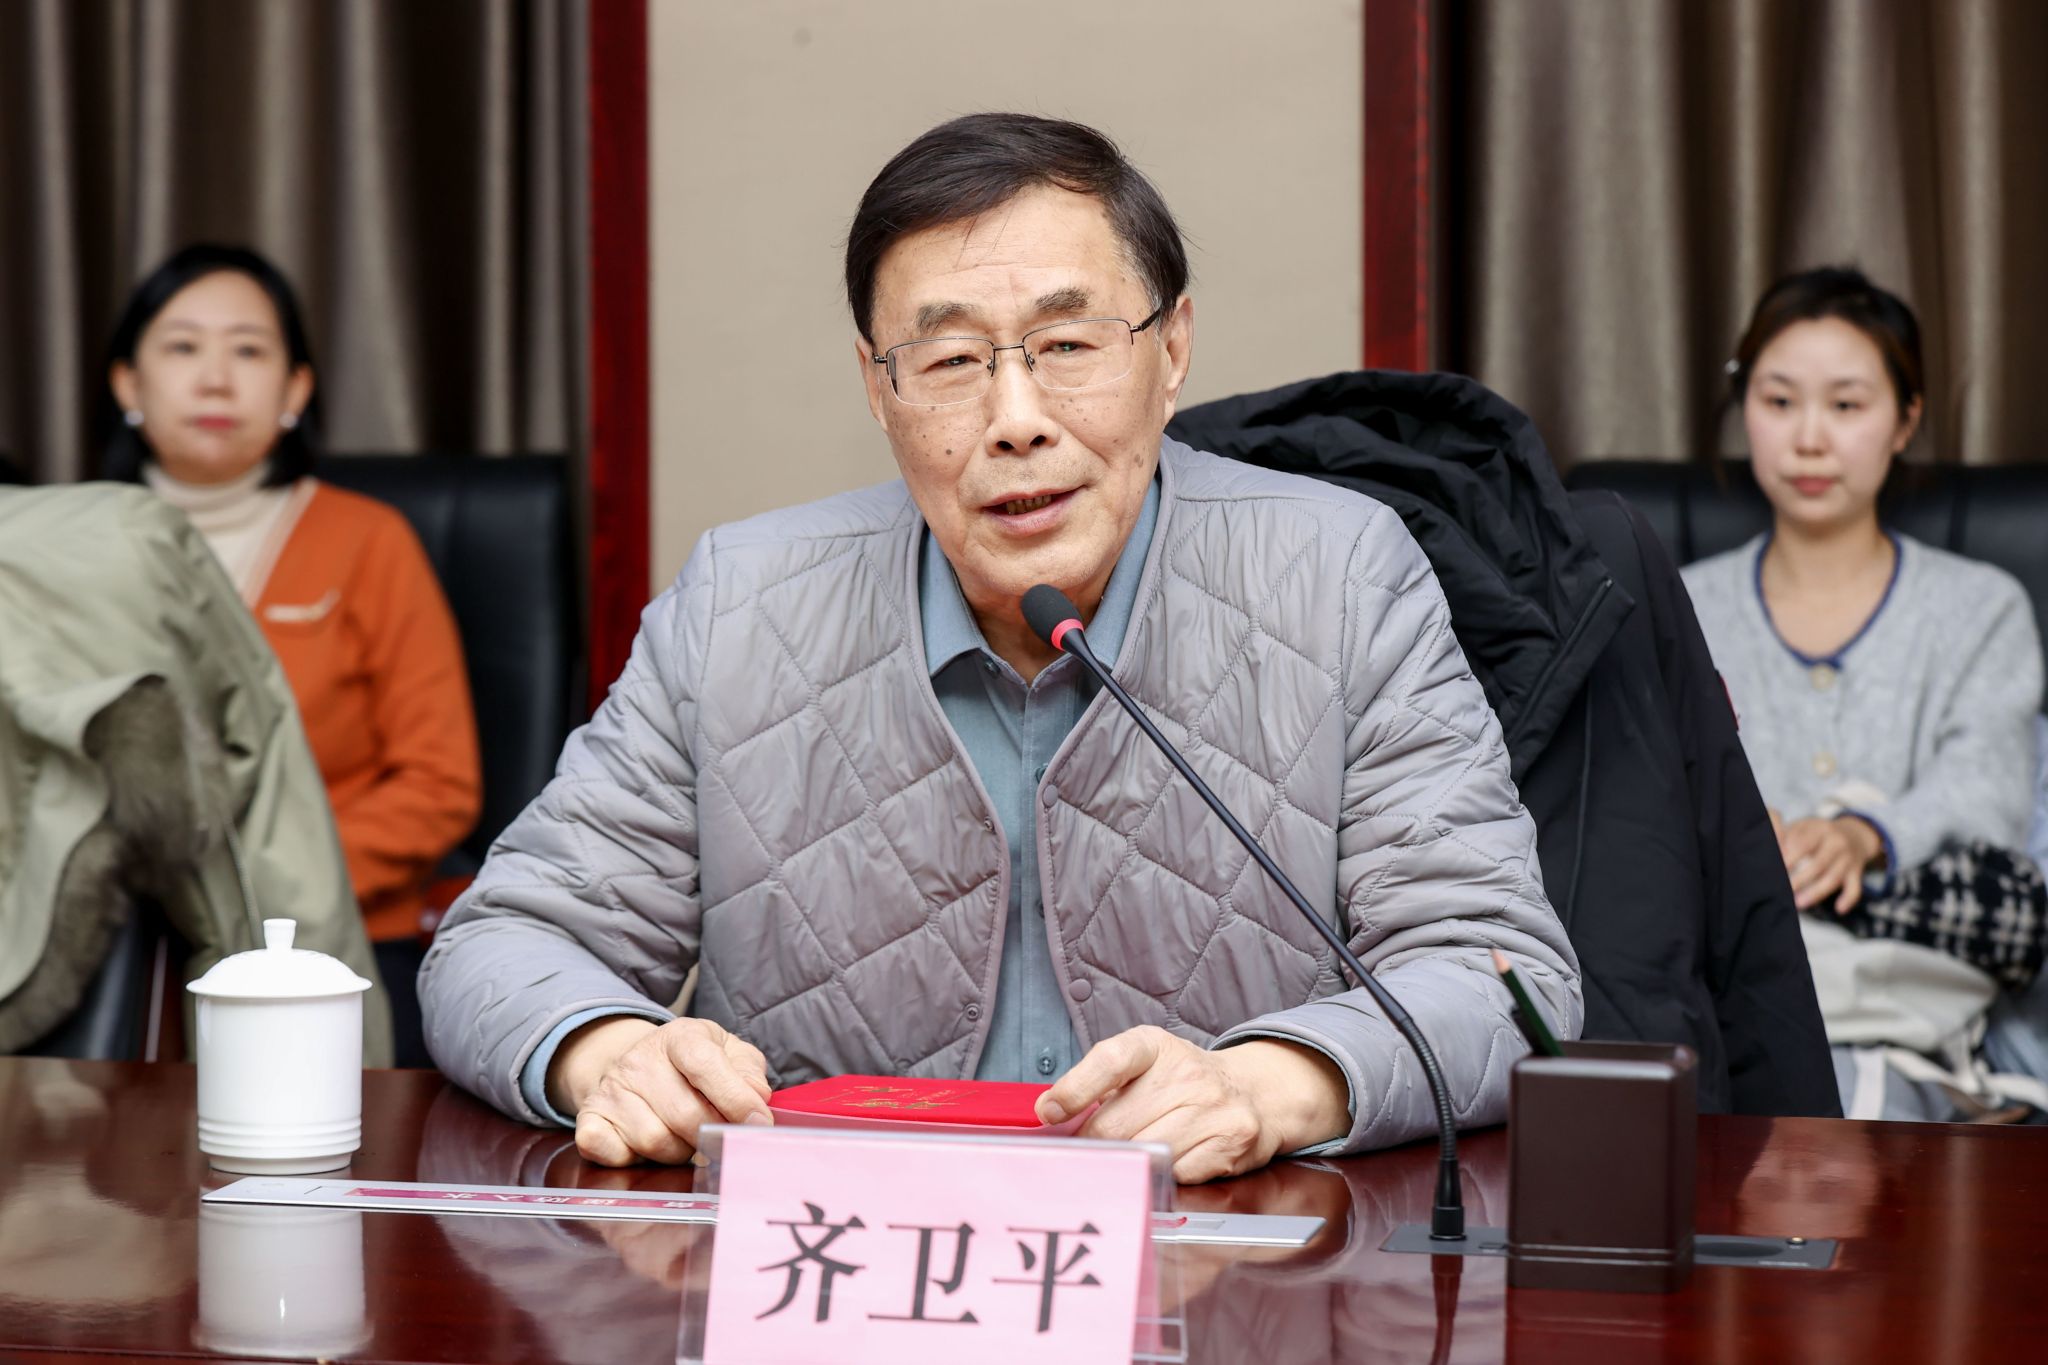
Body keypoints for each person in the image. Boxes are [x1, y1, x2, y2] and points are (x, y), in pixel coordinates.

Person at [422, 113, 1581, 1182]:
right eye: (949, 362)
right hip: (848, 1265)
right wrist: (611, 1054)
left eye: (1067, 344)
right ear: (877, 390)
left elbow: (1498, 976)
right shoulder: (741, 604)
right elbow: (505, 940)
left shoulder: (1338, 579)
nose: (1016, 419)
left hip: (1220, 1267)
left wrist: (1266, 1087)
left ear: (1172, 350)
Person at [1681, 266, 2047, 1119]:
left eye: (1846, 405)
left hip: (1910, 1026)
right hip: (1720, 1004)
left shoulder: (1980, 606)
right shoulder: (1682, 605)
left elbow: (1990, 789)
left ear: (1905, 420)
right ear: (1746, 408)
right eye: (1780, 401)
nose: (1810, 438)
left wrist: (1865, 836)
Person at [104, 244, 480, 1067]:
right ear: (128, 383)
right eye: (182, 347)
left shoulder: (367, 540)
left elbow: (439, 784)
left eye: (248, 350)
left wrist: (260, 876)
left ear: (295, 389)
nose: (215, 379)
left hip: (329, 937)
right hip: (107, 943)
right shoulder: (66, 546)